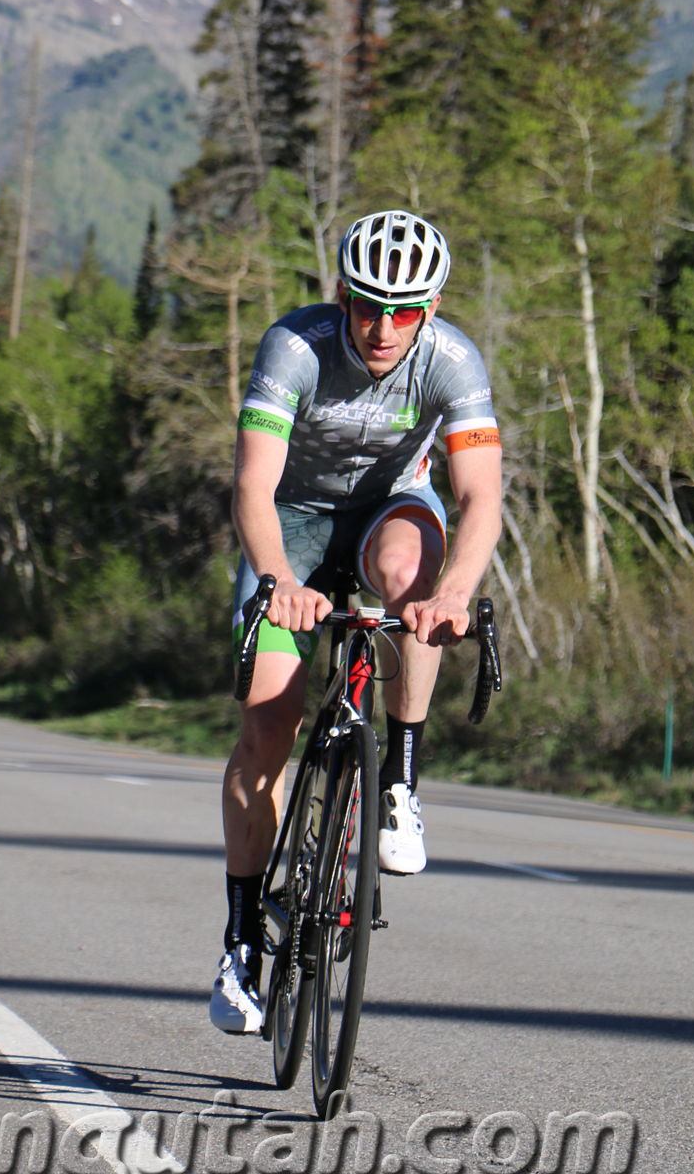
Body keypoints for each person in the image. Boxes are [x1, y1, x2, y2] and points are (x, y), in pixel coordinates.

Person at [210, 209, 503, 1034]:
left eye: (405, 311)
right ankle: (241, 943)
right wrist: (278, 581)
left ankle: (400, 780)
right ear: (342, 293)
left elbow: (481, 497)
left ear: (433, 308)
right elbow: (252, 489)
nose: (382, 327)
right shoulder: (295, 347)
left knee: (412, 579)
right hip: (292, 522)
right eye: (368, 304)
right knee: (266, 730)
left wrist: (454, 593)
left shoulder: (453, 363)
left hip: (388, 514)